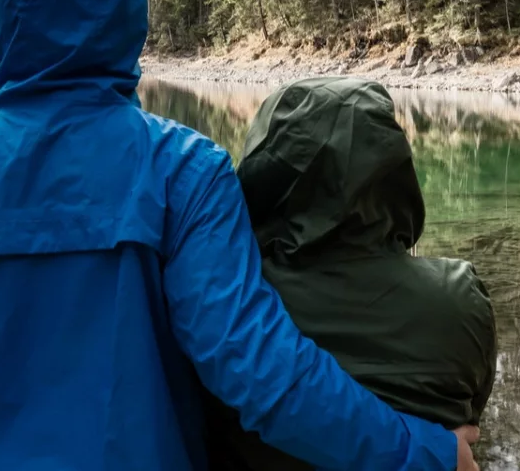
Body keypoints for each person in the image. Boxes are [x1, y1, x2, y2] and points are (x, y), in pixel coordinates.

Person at [0, 0, 478, 471]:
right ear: (130, 18)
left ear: (8, 16)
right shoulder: (183, 171)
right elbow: (260, 374)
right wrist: (420, 452)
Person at [207, 77, 498, 471]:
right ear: (393, 168)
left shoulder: (230, 307)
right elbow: (471, 415)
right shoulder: (461, 300)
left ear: (265, 170)